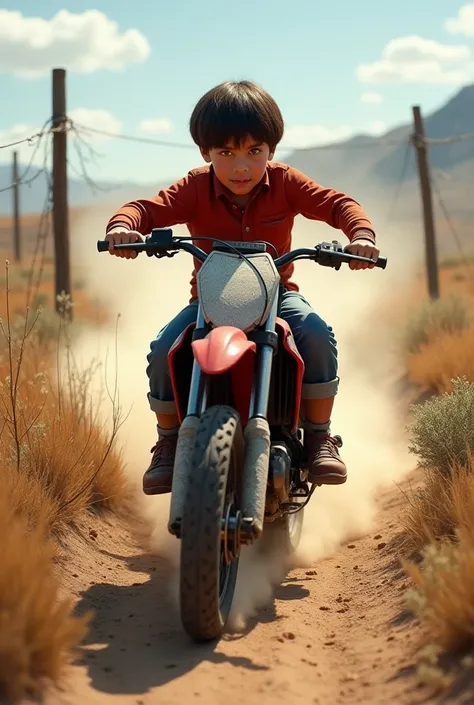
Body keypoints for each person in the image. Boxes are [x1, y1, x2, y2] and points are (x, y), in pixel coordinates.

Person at [104, 79, 380, 496]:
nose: (241, 167)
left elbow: (338, 203)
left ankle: (320, 436)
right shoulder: (194, 188)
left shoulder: (286, 182)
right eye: (226, 153)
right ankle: (169, 441)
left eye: (254, 152)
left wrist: (361, 236)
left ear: (271, 150)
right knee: (164, 350)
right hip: (208, 305)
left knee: (317, 334)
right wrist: (123, 228)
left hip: (277, 297)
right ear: (206, 153)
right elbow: (144, 209)